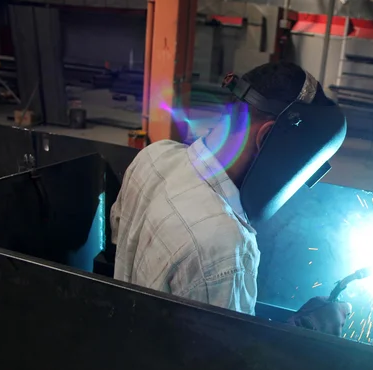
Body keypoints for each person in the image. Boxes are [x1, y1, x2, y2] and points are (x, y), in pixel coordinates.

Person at [111, 61, 349, 335]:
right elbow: (228, 369)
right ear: (267, 135)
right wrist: (308, 331)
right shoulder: (225, 250)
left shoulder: (154, 157)